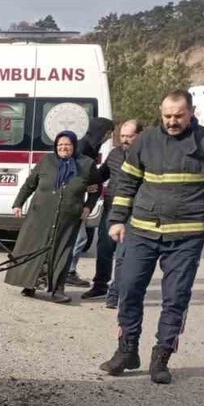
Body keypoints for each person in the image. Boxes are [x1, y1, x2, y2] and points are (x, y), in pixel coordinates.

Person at [102, 90, 204, 383]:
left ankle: (161, 356)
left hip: (186, 236)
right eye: (167, 116)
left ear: (190, 113)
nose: (172, 121)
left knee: (175, 298)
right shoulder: (146, 140)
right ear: (160, 113)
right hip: (143, 230)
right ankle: (127, 350)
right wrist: (117, 219)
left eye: (178, 116)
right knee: (128, 289)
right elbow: (127, 181)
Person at [4, 130, 101, 303]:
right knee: (34, 249)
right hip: (40, 215)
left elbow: (96, 187)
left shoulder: (86, 164)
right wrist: (18, 203)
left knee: (63, 252)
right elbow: (29, 184)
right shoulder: (46, 161)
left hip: (68, 217)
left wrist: (88, 206)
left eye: (67, 145)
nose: (64, 148)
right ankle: (30, 284)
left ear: (74, 146)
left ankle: (58, 290)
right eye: (60, 145)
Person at [81, 119, 144, 303]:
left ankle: (116, 293)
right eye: (122, 136)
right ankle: (100, 286)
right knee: (104, 248)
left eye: (129, 136)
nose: (124, 140)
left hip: (134, 211)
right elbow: (101, 175)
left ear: (139, 135)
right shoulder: (115, 154)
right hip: (111, 207)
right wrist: (85, 183)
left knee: (124, 253)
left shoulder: (148, 155)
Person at [66, 117, 116, 286]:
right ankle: (68, 272)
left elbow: (94, 174)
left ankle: (65, 271)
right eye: (108, 133)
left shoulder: (91, 147)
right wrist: (87, 186)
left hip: (78, 199)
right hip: (70, 200)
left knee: (76, 238)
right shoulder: (82, 147)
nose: (109, 137)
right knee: (79, 238)